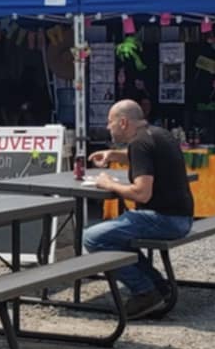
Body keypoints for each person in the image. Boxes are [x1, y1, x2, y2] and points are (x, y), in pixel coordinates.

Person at [83, 99, 196, 321]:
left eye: (110, 122)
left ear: (123, 122)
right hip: (182, 217)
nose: (108, 127)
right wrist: (113, 155)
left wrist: (108, 184)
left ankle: (145, 292)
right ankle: (157, 285)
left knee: (92, 237)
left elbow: (141, 194)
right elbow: (144, 156)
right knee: (116, 234)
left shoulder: (139, 143)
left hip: (164, 219)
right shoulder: (158, 134)